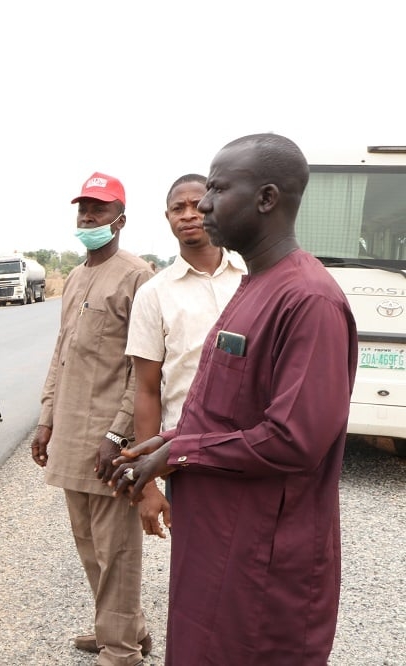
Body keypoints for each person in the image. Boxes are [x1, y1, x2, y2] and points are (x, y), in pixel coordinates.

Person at [110, 134, 357, 664]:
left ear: (266, 199)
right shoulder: (257, 284)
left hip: (263, 559)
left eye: (218, 189)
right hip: (216, 544)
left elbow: (294, 439)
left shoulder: (308, 299)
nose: (202, 204)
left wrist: (178, 454)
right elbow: (227, 412)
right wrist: (164, 441)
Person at [30, 172, 154, 666]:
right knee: (89, 547)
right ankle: (125, 626)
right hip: (71, 435)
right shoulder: (77, 275)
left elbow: (143, 367)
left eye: (98, 209)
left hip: (109, 441)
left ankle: (120, 650)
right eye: (83, 208)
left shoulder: (137, 275)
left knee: (117, 551)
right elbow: (62, 354)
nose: (87, 216)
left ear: (120, 219)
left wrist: (116, 432)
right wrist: (45, 421)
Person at [123, 174, 246, 538]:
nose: (189, 214)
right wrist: (147, 487)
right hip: (187, 458)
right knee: (200, 570)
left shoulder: (252, 276)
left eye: (197, 204)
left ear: (214, 207)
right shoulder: (154, 294)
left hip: (252, 450)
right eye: (179, 208)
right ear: (168, 218)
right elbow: (146, 391)